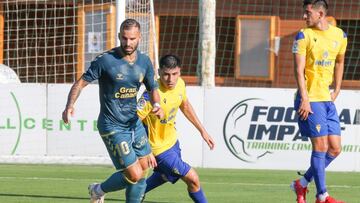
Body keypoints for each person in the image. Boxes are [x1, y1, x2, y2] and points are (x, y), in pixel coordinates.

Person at [62, 18, 164, 203]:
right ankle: (97, 190)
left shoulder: (145, 62)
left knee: (144, 168)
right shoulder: (106, 60)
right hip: (112, 126)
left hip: (133, 123)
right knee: (134, 174)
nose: (128, 43)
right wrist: (70, 105)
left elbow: (153, 89)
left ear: (139, 37)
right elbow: (81, 82)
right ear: (119, 36)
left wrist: (157, 105)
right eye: (124, 38)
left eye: (132, 38)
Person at [137, 54, 215, 203]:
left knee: (166, 175)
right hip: (157, 149)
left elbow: (185, 105)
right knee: (193, 179)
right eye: (166, 74)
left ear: (180, 72)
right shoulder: (150, 94)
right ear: (159, 72)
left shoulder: (180, 84)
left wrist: (202, 131)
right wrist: (146, 150)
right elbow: (134, 123)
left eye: (174, 74)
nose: (170, 79)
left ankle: (136, 192)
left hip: (172, 142)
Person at [290, 1, 347, 203]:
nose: (304, 17)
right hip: (310, 98)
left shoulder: (339, 35)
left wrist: (338, 88)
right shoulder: (303, 36)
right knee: (321, 147)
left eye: (308, 13)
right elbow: (298, 70)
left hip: (326, 99)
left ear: (320, 13)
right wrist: (304, 99)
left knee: (335, 148)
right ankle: (322, 196)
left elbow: (340, 61)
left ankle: (302, 184)